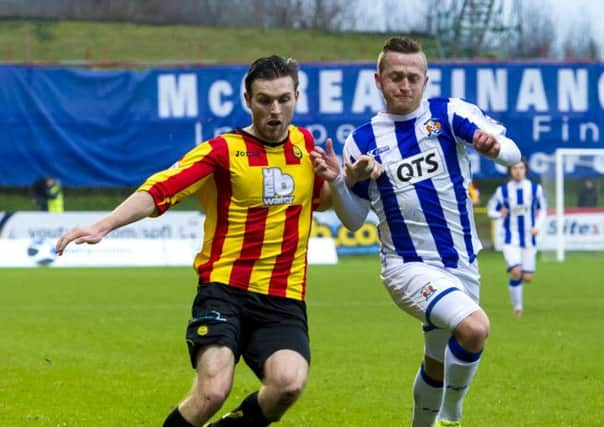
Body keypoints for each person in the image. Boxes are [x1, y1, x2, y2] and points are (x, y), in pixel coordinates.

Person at [55, 55, 331, 427]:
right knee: (212, 390)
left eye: (284, 99)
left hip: (283, 297)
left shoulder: (305, 144)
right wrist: (104, 225)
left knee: (288, 384)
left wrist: (341, 180)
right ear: (247, 100)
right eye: (265, 100)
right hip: (224, 291)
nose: (276, 110)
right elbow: (161, 187)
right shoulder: (223, 151)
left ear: (297, 96)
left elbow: (322, 202)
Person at [311, 36, 521, 427]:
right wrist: (342, 181)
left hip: (461, 262)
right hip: (406, 266)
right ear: (378, 80)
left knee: (437, 362)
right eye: (395, 77)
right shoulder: (362, 140)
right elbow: (355, 219)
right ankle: (451, 416)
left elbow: (512, 152)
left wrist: (495, 149)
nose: (404, 85)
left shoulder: (450, 114)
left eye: (412, 77)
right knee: (475, 329)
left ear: (426, 81)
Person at [487, 159, 547, 317]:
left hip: (529, 239)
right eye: (515, 168)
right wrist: (498, 214)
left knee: (527, 277)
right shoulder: (503, 191)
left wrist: (537, 227)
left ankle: (520, 288)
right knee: (516, 272)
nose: (518, 171)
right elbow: (490, 210)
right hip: (510, 239)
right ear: (510, 171)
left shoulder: (536, 189)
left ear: (526, 170)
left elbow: (542, 210)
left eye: (521, 168)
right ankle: (518, 308)